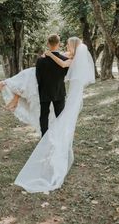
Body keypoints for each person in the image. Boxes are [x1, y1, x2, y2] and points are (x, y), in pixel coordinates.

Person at [14, 38, 95, 193]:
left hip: (58, 93)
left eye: (69, 45)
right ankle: (58, 140)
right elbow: (64, 63)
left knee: (54, 118)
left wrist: (49, 55)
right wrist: (53, 54)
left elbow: (52, 70)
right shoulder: (69, 57)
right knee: (61, 118)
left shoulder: (60, 60)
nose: (67, 47)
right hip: (62, 93)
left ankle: (51, 140)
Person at [36, 34, 69, 136]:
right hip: (59, 91)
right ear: (58, 44)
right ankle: (61, 136)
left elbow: (38, 77)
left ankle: (44, 137)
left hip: (44, 91)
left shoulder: (40, 60)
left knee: (44, 115)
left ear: (47, 43)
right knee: (60, 115)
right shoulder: (64, 59)